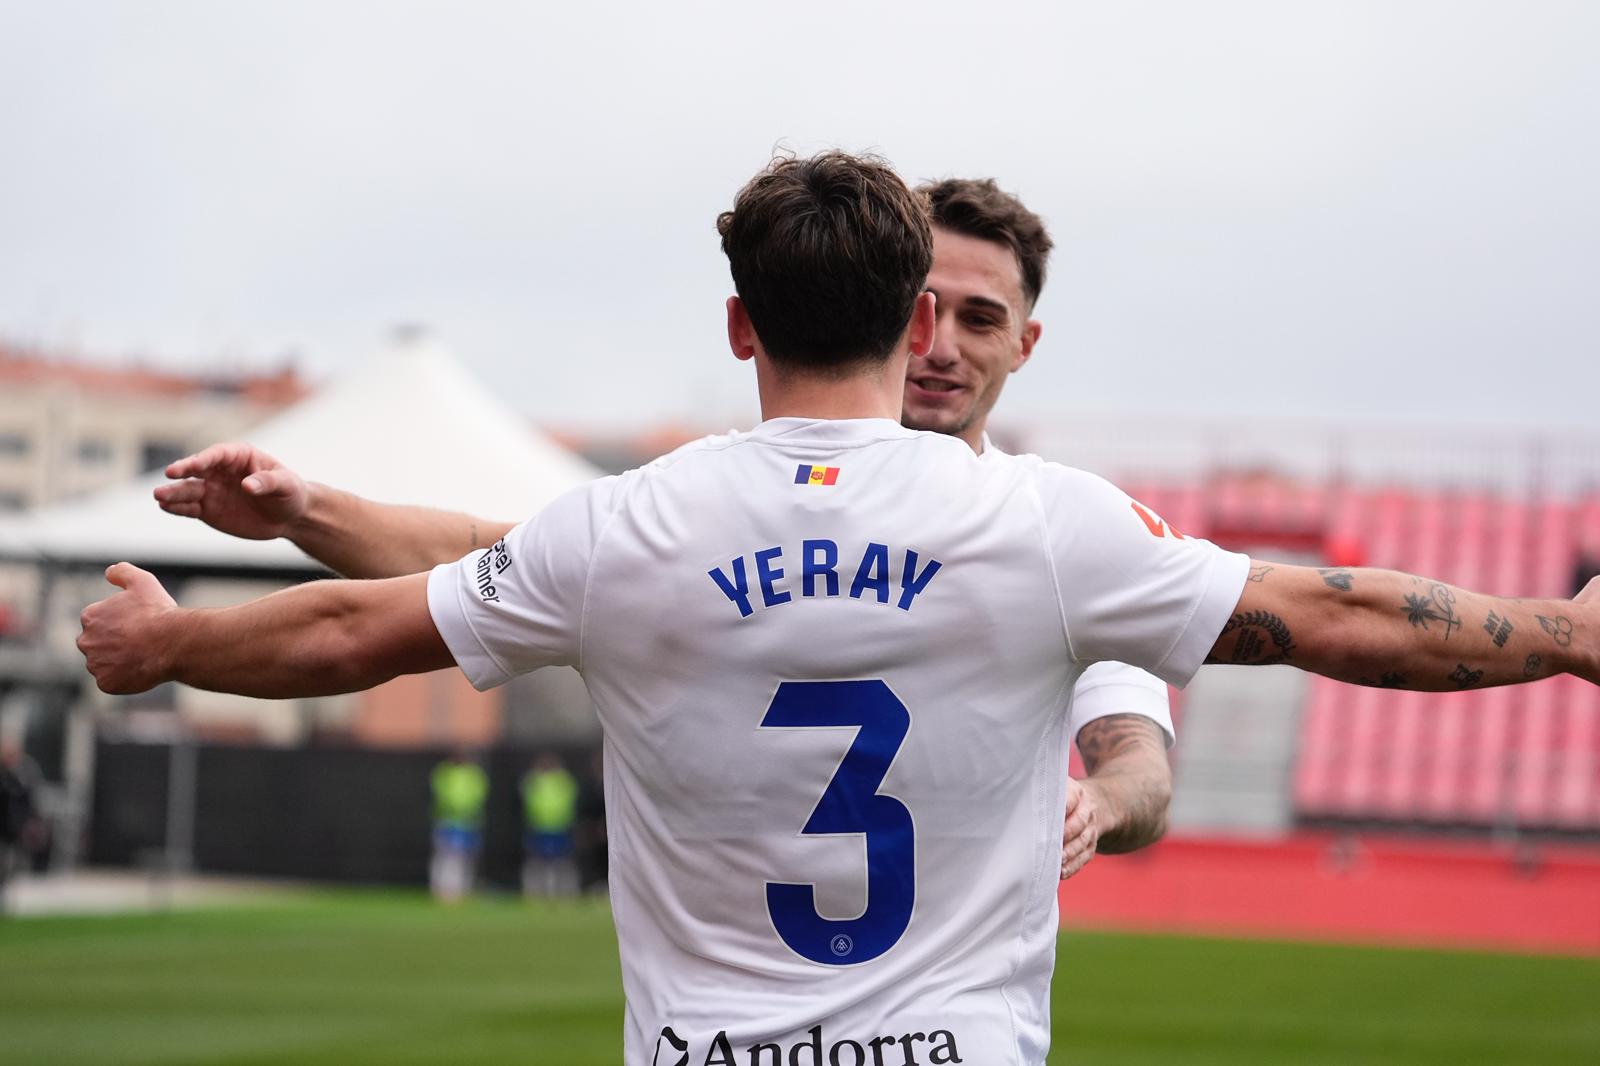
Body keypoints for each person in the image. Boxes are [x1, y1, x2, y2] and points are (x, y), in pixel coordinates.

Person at [80, 151, 1598, 1064]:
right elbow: (1334, 613)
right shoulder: (1058, 532)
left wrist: (170, 645)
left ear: (740, 320)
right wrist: (1565, 633)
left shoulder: (640, 524)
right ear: (912, 316)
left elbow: (394, 611)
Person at [147, 178, 1171, 881]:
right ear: (886, 311)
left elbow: (1135, 754)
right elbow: (478, 557)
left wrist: (1104, 803)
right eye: (927, 308)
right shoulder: (704, 502)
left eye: (981, 319)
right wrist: (304, 507)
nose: (943, 345)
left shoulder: (1056, 532)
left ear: (1024, 343)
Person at [429, 749, 487, 902]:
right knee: (448, 856)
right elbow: (440, 792)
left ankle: (463, 890)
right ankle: (443, 890)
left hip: (468, 822)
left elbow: (479, 794)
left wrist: (469, 810)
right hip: (447, 820)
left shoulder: (474, 774)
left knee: (466, 857)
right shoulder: (444, 772)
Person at [520, 752, 579, 897]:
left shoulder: (563, 780)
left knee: (562, 861)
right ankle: (535, 892)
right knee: (537, 861)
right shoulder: (534, 780)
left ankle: (564, 892)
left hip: (560, 827)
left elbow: (571, 799)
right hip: (538, 826)